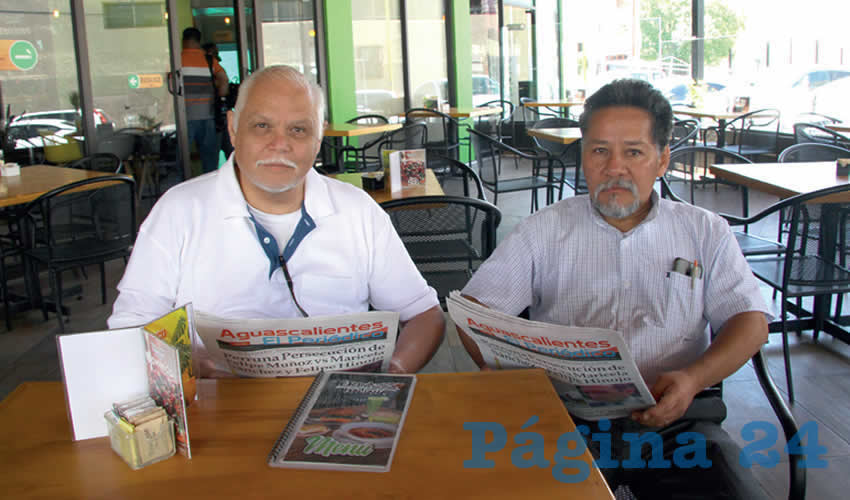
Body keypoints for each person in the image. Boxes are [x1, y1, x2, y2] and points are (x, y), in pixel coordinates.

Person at [459, 79, 771, 499]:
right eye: (599, 151)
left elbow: (749, 320)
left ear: (662, 160)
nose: (614, 167)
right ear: (583, 157)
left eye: (634, 153)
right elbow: (474, 310)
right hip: (560, 422)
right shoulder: (543, 230)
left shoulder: (705, 232)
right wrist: (505, 374)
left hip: (680, 425)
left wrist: (694, 379)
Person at [108, 65, 445, 376]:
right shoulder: (178, 211)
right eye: (262, 126)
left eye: (298, 130)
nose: (279, 144)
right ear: (233, 128)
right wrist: (194, 366)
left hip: (337, 418)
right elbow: (130, 326)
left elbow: (424, 315)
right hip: (215, 412)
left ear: (318, 140)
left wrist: (390, 377)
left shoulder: (358, 211)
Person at [181, 27, 229, 174]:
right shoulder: (209, 60)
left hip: (184, 116)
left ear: (183, 41)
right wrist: (221, 98)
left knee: (181, 160)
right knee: (209, 161)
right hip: (208, 115)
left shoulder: (177, 58)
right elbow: (224, 79)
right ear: (198, 41)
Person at [202, 42, 235, 159]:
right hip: (214, 113)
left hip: (218, 113)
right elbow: (222, 84)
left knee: (227, 147)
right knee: (215, 150)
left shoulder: (214, 66)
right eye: (214, 53)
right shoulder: (207, 66)